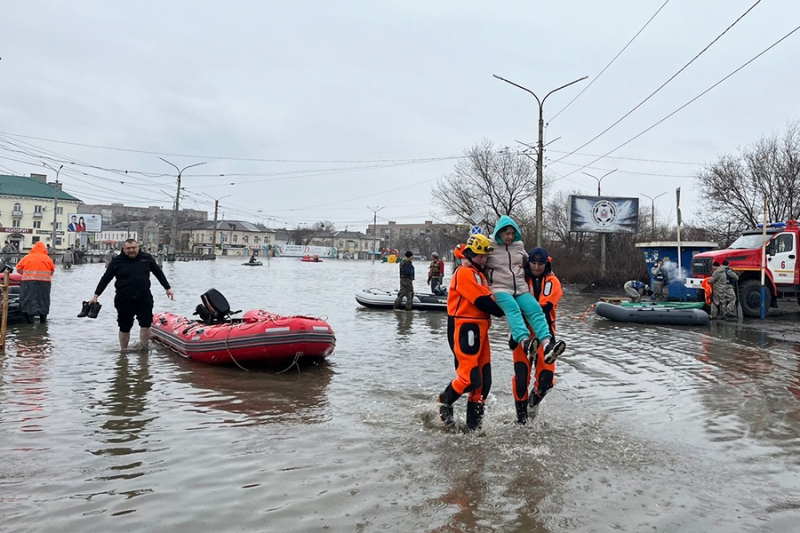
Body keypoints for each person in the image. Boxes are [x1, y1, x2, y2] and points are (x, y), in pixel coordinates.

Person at [437, 234, 505, 431]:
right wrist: (508, 311)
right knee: (469, 378)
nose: (483, 259)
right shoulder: (464, 273)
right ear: (470, 254)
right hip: (465, 327)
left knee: (484, 383)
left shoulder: (480, 275)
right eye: (479, 255)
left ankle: (473, 427)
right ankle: (444, 401)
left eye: (485, 256)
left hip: (481, 329)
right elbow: (482, 301)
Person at [484, 216, 557, 359]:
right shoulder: (489, 245)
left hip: (520, 287)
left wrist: (546, 269)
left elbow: (527, 261)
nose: (510, 237)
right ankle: (524, 341)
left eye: (512, 233)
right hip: (499, 288)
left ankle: (547, 344)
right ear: (499, 232)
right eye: (507, 233)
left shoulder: (519, 245)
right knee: (513, 308)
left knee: (535, 309)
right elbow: (478, 260)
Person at [510, 247, 565, 423]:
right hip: (523, 333)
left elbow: (545, 306)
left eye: (540, 264)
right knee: (520, 380)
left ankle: (534, 401)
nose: (536, 267)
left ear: (546, 264)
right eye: (533, 263)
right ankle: (521, 420)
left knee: (546, 379)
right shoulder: (520, 280)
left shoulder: (552, 281)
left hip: (545, 334)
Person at [87, 238, 174, 349]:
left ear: (138, 247)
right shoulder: (117, 261)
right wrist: (96, 295)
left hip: (143, 297)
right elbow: (106, 278)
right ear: (124, 249)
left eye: (133, 248)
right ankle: (123, 351)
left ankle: (144, 349)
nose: (131, 250)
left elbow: (158, 273)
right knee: (124, 326)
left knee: (146, 323)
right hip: (123, 299)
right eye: (128, 248)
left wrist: (167, 288)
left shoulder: (146, 258)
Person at [15, 241, 55, 324]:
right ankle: (43, 322)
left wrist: (26, 273)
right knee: (43, 301)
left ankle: (30, 322)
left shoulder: (27, 257)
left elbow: (18, 268)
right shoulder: (47, 258)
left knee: (28, 301)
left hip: (28, 283)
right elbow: (52, 271)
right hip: (45, 283)